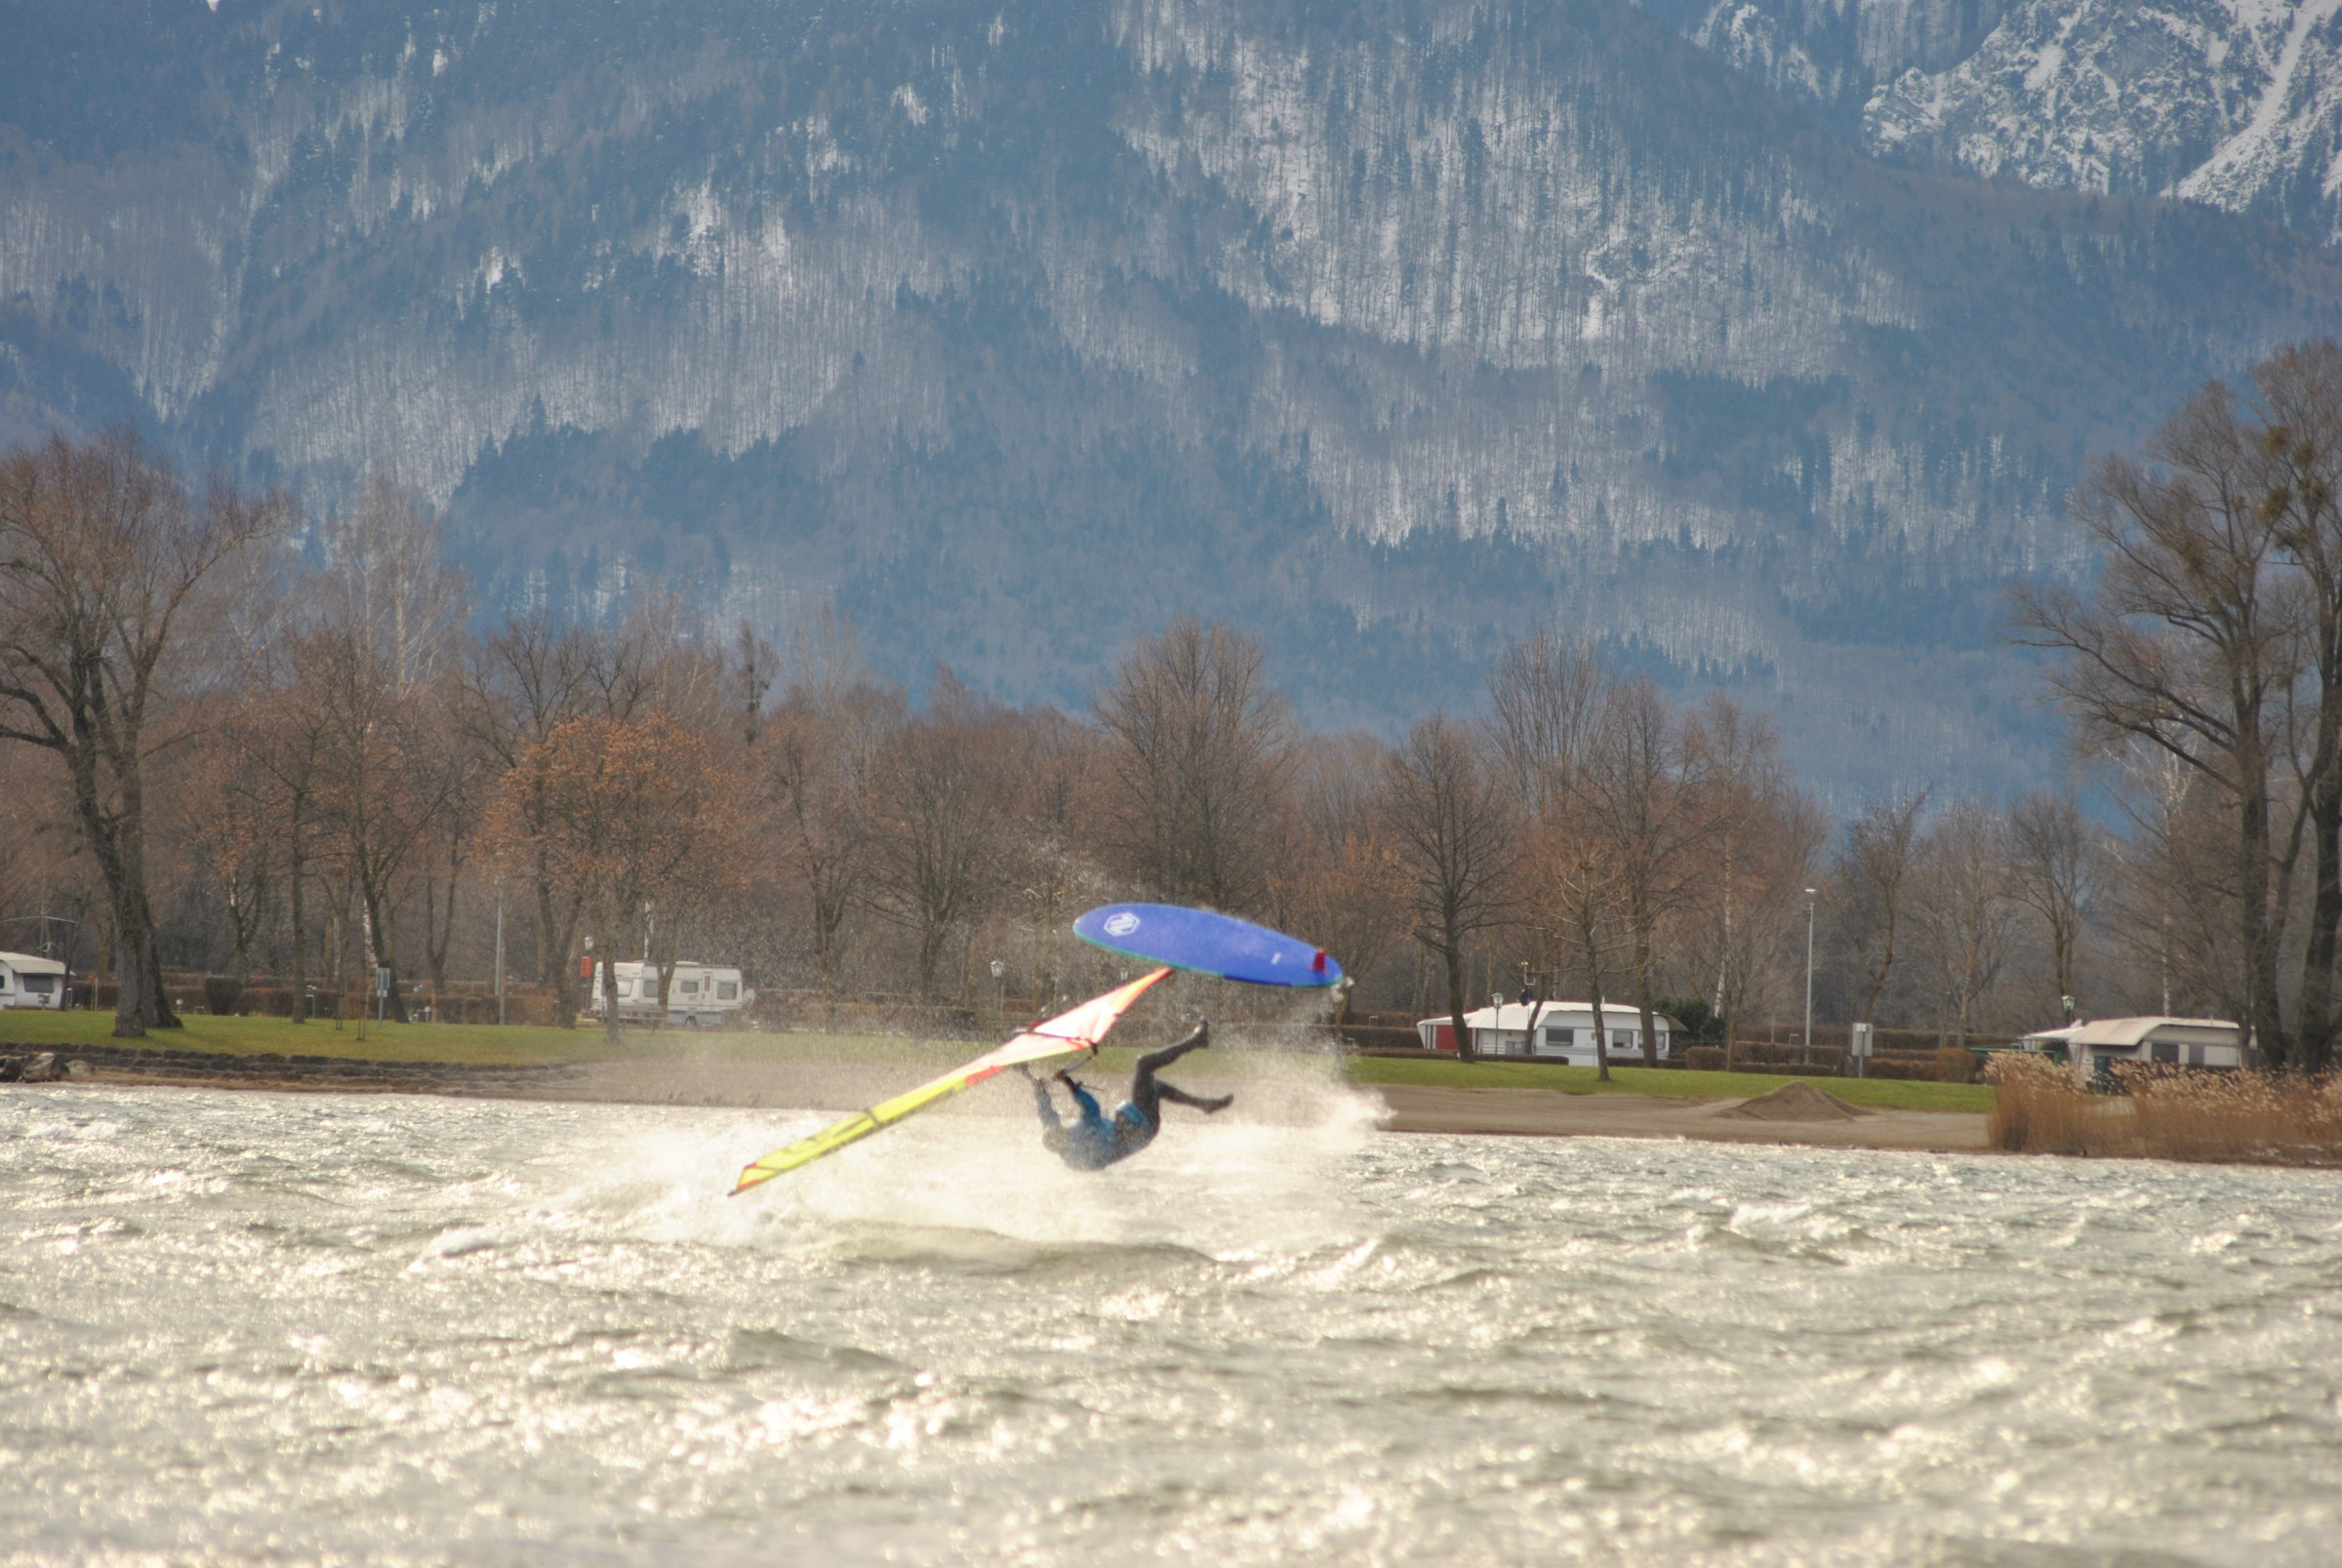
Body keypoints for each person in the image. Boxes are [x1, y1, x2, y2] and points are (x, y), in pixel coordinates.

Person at [1026, 1021, 1232, 1170]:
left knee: (1155, 1086)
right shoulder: (1080, 1142)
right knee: (1144, 1065)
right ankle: (1196, 1041)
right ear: (1061, 1143)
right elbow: (1092, 1110)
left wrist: (1040, 1092)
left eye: (1059, 1130)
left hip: (1135, 1128)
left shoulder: (1067, 1151)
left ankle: (1204, 1104)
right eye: (1061, 1133)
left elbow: (1048, 1117)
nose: (1062, 1129)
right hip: (1140, 1129)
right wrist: (1071, 1086)